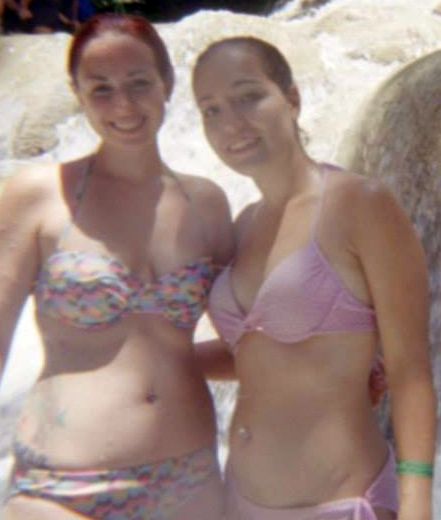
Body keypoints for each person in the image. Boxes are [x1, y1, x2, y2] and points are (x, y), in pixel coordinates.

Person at [0, 13, 233, 519]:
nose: (123, 104)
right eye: (101, 89)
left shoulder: (207, 204)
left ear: (167, 83)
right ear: (78, 94)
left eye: (139, 83)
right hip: (61, 487)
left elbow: (249, 341)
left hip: (189, 481)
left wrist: (343, 364)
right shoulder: (38, 196)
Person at [192, 36, 436, 520]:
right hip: (237, 500)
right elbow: (261, 357)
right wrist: (151, 362)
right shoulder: (243, 224)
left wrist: (416, 501)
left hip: (339, 503)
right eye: (211, 110)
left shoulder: (359, 205)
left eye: (248, 97)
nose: (230, 123)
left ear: (292, 98)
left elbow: (410, 371)